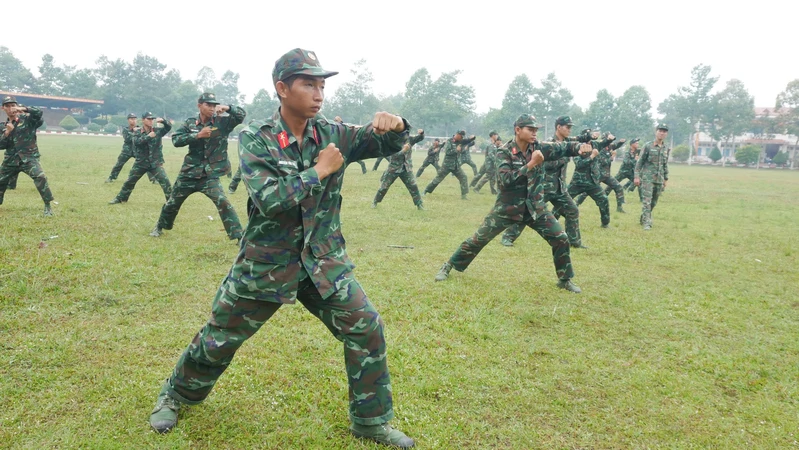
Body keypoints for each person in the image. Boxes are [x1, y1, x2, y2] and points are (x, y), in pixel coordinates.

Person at [148, 48, 415, 449]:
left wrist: (395, 126)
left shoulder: (333, 133)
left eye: (322, 85)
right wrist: (319, 170)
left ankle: (370, 422)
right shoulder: (257, 137)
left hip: (322, 262)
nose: (319, 93)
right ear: (282, 88)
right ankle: (176, 394)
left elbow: (386, 144)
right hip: (267, 264)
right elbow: (270, 199)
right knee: (221, 337)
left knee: (367, 327)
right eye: (309, 84)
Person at [434, 114, 592, 293]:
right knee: (478, 239)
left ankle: (565, 279)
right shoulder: (504, 151)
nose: (534, 133)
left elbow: (563, 147)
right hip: (507, 208)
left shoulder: (539, 148)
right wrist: (531, 164)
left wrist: (579, 147)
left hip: (535, 207)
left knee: (561, 238)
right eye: (530, 129)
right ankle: (448, 265)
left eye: (536, 130)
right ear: (518, 130)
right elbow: (505, 181)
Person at [149, 93, 246, 240]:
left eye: (214, 105)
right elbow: (176, 139)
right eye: (208, 104)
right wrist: (197, 135)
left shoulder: (222, 122)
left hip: (209, 175)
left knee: (223, 202)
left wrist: (228, 108)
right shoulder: (190, 123)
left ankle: (239, 236)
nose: (212, 108)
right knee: (172, 203)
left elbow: (241, 115)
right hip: (189, 173)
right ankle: (160, 226)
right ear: (199, 105)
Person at [502, 117, 594, 248]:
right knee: (528, 212)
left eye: (570, 128)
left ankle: (574, 242)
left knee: (572, 211)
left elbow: (579, 141)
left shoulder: (567, 142)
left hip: (560, 189)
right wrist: (562, 159)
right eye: (567, 127)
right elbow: (544, 163)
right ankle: (508, 237)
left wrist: (586, 143)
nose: (569, 130)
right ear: (558, 127)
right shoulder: (548, 144)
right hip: (544, 187)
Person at [0, 95, 55, 216]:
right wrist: (7, 132)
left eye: (13, 105)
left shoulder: (28, 120)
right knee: (1, 181)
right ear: (3, 108)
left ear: (17, 106)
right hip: (10, 160)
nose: (10, 109)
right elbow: (1, 145)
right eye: (7, 106)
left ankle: (48, 206)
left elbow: (39, 113)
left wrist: (24, 109)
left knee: (40, 177)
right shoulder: (2, 126)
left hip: (29, 158)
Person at [109, 112, 172, 204]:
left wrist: (164, 121)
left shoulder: (157, 131)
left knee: (165, 182)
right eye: (148, 119)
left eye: (152, 119)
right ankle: (121, 198)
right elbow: (137, 142)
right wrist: (148, 137)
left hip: (155, 162)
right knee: (130, 181)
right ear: (143, 120)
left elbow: (168, 127)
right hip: (141, 163)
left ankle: (171, 201)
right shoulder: (137, 131)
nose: (151, 121)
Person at [566, 131, 615, 228]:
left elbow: (604, 143)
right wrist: (592, 156)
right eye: (587, 139)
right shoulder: (577, 147)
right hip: (578, 182)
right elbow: (579, 164)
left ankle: (605, 223)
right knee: (563, 200)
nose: (588, 142)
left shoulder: (595, 144)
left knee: (603, 199)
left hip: (593, 182)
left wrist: (610, 139)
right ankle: (553, 218)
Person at [372, 129, 425, 210]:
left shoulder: (409, 139)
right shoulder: (392, 142)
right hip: (394, 168)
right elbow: (393, 156)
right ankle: (375, 201)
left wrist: (422, 133)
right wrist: (403, 150)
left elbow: (420, 138)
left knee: (413, 186)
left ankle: (419, 204)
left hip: (406, 168)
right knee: (384, 187)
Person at [576, 137, 627, 212]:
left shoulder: (609, 147)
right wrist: (612, 156)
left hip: (606, 175)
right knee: (587, 191)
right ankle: (577, 203)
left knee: (618, 187)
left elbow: (616, 145)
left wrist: (621, 142)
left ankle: (619, 207)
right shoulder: (600, 148)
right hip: (598, 175)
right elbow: (603, 161)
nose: (610, 143)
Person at [635, 124, 670, 230]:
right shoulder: (648, 146)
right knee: (647, 201)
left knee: (654, 202)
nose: (662, 133)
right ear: (656, 132)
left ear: (666, 134)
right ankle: (647, 223)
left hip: (659, 179)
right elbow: (639, 162)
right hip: (647, 178)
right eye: (660, 131)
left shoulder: (665, 148)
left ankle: (644, 217)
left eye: (664, 131)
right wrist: (636, 176)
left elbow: (665, 164)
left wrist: (666, 179)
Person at [423, 130, 475, 199]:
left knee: (463, 177)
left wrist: (473, 137)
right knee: (438, 179)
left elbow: (468, 141)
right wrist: (456, 150)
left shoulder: (461, 141)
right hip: (447, 165)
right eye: (461, 137)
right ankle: (425, 191)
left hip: (456, 165)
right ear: (458, 135)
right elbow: (447, 152)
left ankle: (464, 196)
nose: (462, 138)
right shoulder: (449, 141)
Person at [106, 114, 141, 183]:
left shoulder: (140, 129)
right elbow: (128, 139)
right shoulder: (125, 129)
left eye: (134, 119)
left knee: (146, 163)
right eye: (131, 119)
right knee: (119, 164)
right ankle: (112, 177)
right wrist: (134, 132)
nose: (133, 120)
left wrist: (137, 131)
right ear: (128, 120)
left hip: (137, 150)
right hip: (127, 150)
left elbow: (141, 139)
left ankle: (154, 179)